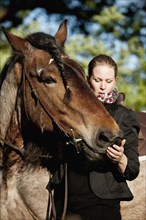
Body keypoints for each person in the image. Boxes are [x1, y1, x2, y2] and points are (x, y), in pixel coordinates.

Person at [50, 54, 140, 220]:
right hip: (64, 199)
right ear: (87, 79)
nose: (103, 86)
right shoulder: (71, 109)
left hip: (102, 203)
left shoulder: (124, 116)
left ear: (115, 81)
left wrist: (120, 158)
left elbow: (132, 169)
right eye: (98, 80)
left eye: (108, 81)